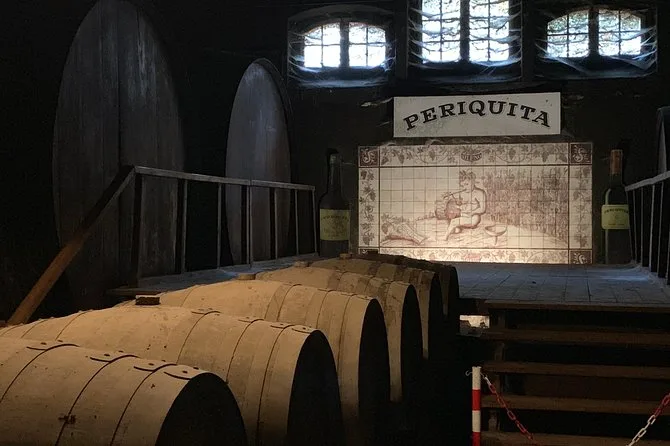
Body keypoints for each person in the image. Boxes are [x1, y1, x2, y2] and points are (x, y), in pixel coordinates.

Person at [443, 170, 487, 241]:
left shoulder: (480, 193)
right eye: (463, 185)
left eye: (467, 184)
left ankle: (445, 237)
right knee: (451, 212)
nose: (464, 187)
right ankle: (457, 228)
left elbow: (483, 209)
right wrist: (449, 198)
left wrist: (472, 212)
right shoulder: (463, 193)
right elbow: (458, 204)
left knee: (454, 222)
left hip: (474, 216)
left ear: (473, 182)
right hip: (464, 214)